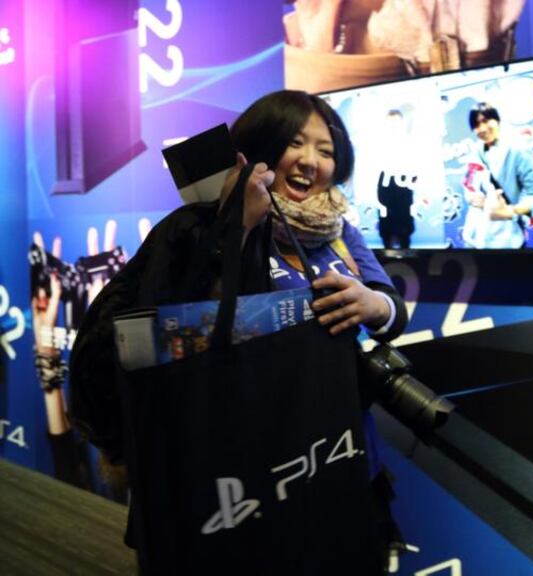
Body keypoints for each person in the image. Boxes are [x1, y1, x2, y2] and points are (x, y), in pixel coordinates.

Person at [68, 90, 408, 565]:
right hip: (233, 481)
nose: (311, 161)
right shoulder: (194, 228)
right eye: (295, 143)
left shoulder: (340, 232)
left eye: (326, 150)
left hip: (337, 457)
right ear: (261, 148)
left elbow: (393, 309)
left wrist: (374, 306)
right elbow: (153, 339)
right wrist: (235, 230)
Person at [462, 102, 533, 248]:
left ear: (497, 120)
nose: (482, 129)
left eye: (486, 121)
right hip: (477, 236)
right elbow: (468, 184)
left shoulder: (517, 150)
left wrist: (510, 211)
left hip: (508, 239)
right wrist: (472, 198)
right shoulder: (475, 152)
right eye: (476, 125)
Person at [376, 109, 417, 249]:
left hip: (404, 195)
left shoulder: (410, 146)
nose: (393, 127)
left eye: (396, 123)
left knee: (405, 234)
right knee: (386, 234)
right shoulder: (378, 147)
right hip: (385, 196)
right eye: (390, 124)